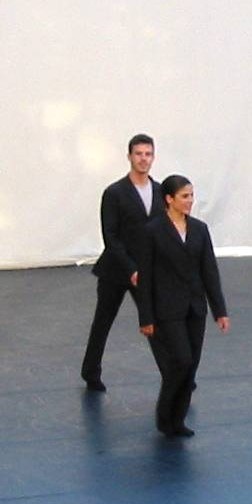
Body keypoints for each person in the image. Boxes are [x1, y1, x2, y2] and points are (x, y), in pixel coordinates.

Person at [136, 174, 232, 437]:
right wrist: (146, 317)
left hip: (194, 308)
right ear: (169, 199)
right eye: (184, 196)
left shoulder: (200, 229)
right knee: (181, 360)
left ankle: (177, 419)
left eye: (191, 195)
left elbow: (209, 271)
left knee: (191, 365)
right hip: (167, 309)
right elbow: (145, 277)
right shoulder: (153, 231)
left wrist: (220, 310)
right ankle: (164, 414)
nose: (190, 200)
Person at [82, 134, 162, 392]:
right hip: (115, 271)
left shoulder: (161, 191)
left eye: (148, 154)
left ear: (153, 157)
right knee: (103, 322)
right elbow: (111, 237)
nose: (143, 159)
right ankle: (90, 372)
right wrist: (131, 269)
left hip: (146, 272)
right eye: (138, 154)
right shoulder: (114, 192)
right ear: (129, 157)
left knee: (155, 323)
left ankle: (174, 375)